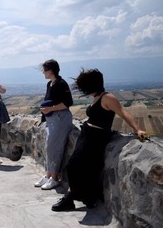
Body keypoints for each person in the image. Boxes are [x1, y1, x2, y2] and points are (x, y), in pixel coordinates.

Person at [52, 69, 148, 211]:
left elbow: (123, 112)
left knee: (74, 166)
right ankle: (87, 198)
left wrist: (137, 129)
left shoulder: (107, 98)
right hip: (87, 134)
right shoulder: (97, 97)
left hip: (96, 137)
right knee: (86, 168)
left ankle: (70, 197)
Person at [34, 59, 74, 190]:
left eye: (44, 70)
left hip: (61, 118)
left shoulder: (61, 84)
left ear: (51, 70)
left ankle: (55, 177)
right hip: (52, 119)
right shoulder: (50, 84)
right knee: (48, 146)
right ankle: (48, 175)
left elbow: (68, 102)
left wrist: (50, 109)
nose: (43, 73)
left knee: (54, 146)